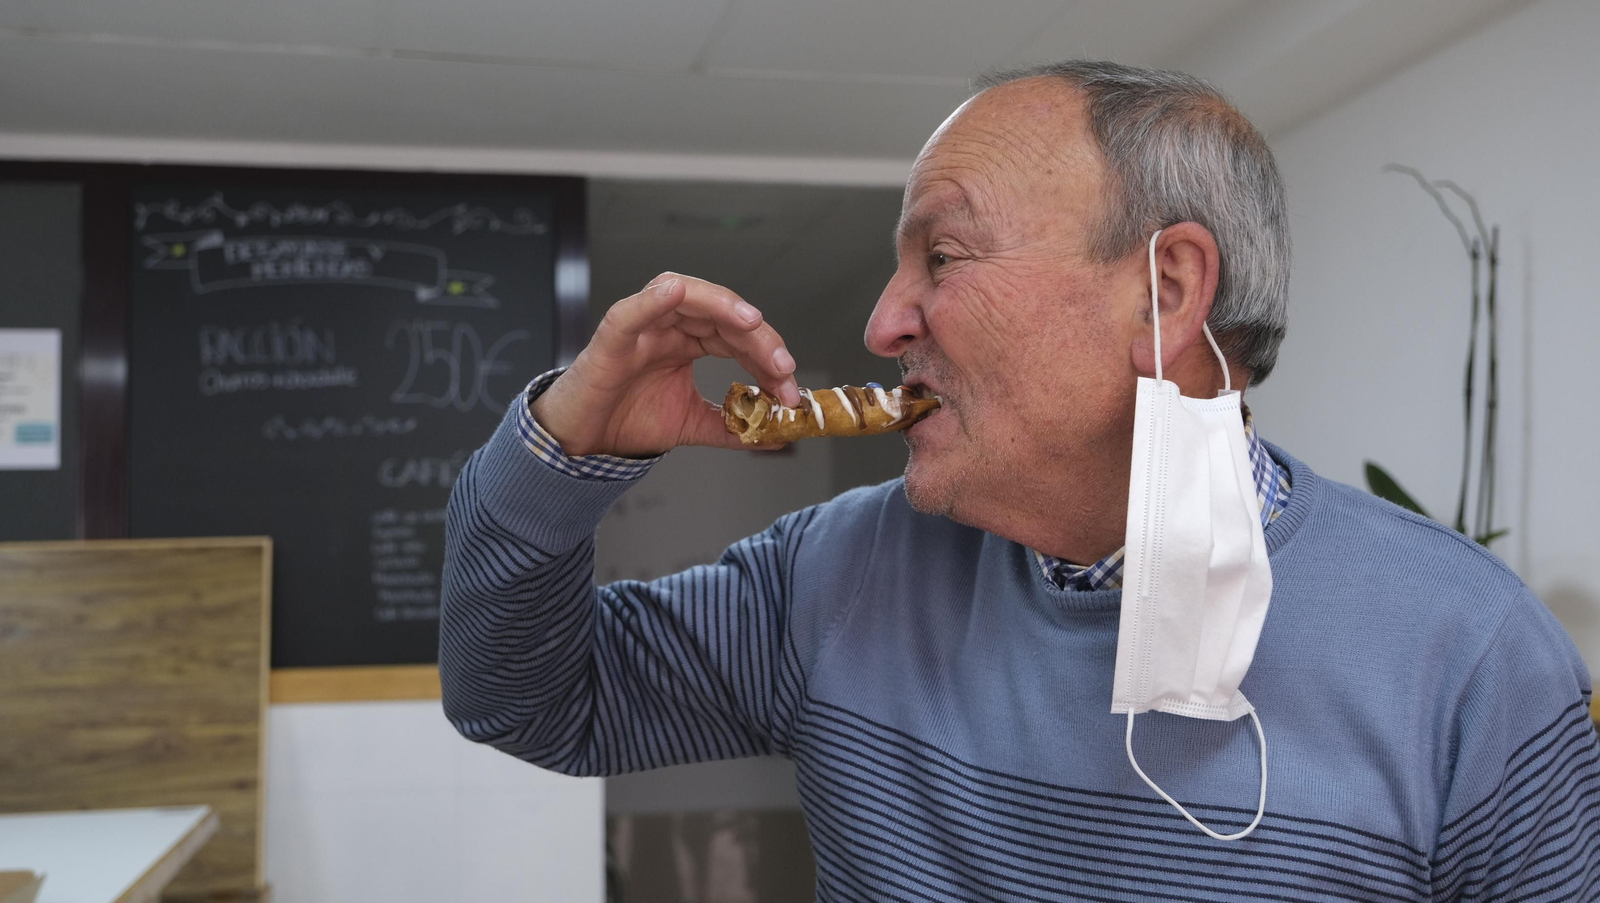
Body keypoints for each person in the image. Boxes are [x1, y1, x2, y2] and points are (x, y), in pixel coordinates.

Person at [439, 60, 1599, 901]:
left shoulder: (1471, 659)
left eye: (939, 258)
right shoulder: (837, 570)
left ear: (1166, 291)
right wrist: (562, 449)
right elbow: (524, 699)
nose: (885, 320)